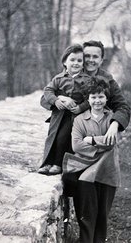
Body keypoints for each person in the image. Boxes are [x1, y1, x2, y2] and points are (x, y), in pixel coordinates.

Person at [62, 76, 121, 243]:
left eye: (101, 97)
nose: (97, 101)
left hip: (108, 172)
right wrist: (102, 145)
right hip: (86, 172)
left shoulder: (112, 119)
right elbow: (77, 146)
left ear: (107, 98)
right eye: (93, 97)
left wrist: (92, 140)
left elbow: (113, 141)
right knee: (87, 214)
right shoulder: (80, 119)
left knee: (103, 214)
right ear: (88, 99)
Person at [38, 44, 91, 175]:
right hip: (58, 115)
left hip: (74, 116)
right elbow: (48, 91)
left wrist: (80, 108)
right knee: (53, 137)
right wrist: (56, 100)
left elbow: (90, 98)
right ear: (64, 62)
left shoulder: (87, 80)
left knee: (63, 137)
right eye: (72, 60)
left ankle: (58, 164)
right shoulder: (58, 78)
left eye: (79, 60)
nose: (76, 63)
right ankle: (47, 163)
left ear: (83, 64)